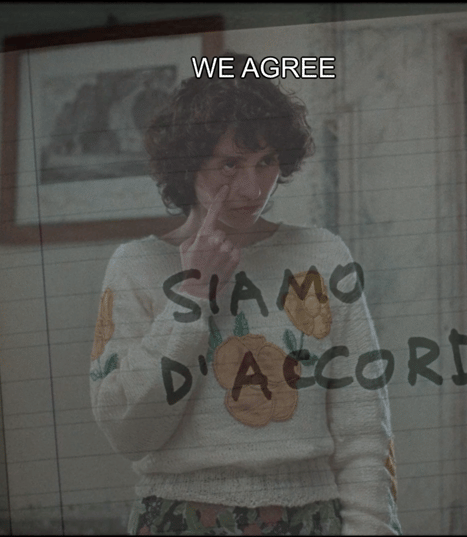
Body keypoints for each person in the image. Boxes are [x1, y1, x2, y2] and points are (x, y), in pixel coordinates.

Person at [89, 53, 401, 535]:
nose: (253, 187)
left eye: (267, 161)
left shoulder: (322, 254)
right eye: (229, 164)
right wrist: (191, 296)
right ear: (188, 163)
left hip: (309, 518)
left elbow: (365, 430)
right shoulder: (137, 265)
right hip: (178, 518)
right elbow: (129, 432)